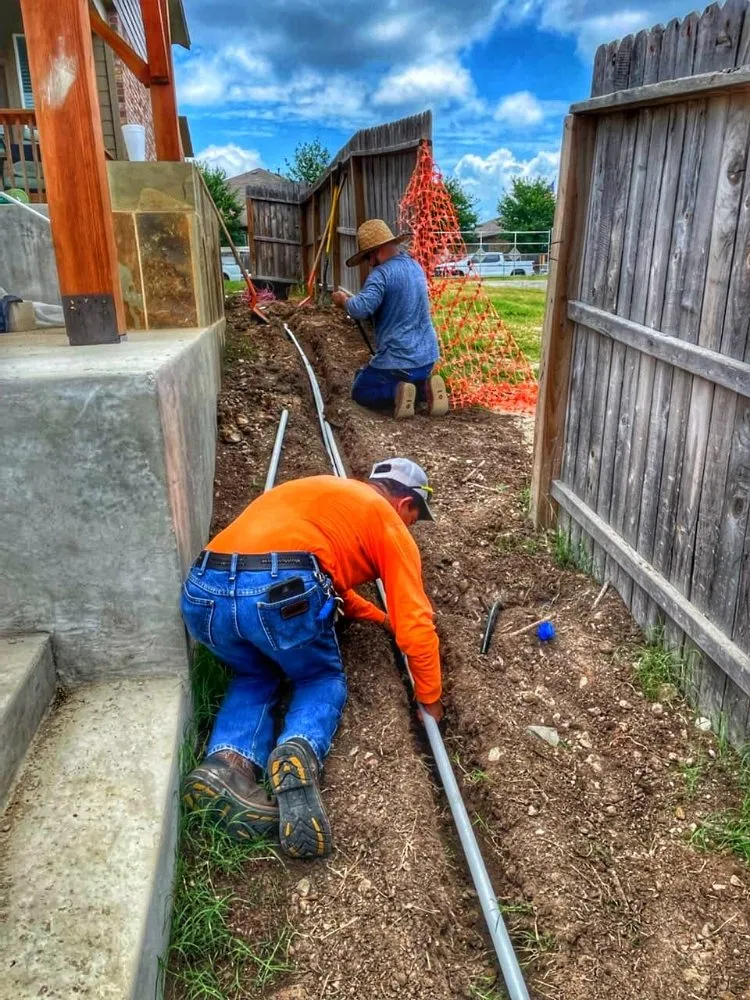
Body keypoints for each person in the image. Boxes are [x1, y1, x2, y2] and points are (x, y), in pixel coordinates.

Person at [181, 458, 444, 860]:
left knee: (255, 673)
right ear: (404, 502)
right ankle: (298, 749)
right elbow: (417, 626)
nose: (410, 526)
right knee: (320, 679)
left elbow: (331, 580)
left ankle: (226, 764)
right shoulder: (386, 520)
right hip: (276, 593)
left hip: (204, 590)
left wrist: (379, 618)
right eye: (413, 517)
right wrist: (430, 700)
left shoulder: (323, 492)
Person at [331, 219, 449, 421]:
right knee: (402, 375)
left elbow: (360, 309)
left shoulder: (382, 274)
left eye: (368, 257)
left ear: (377, 251)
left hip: (399, 360)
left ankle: (397, 392)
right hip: (427, 357)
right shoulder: (415, 266)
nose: (369, 263)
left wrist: (344, 301)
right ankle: (424, 388)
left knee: (361, 390)